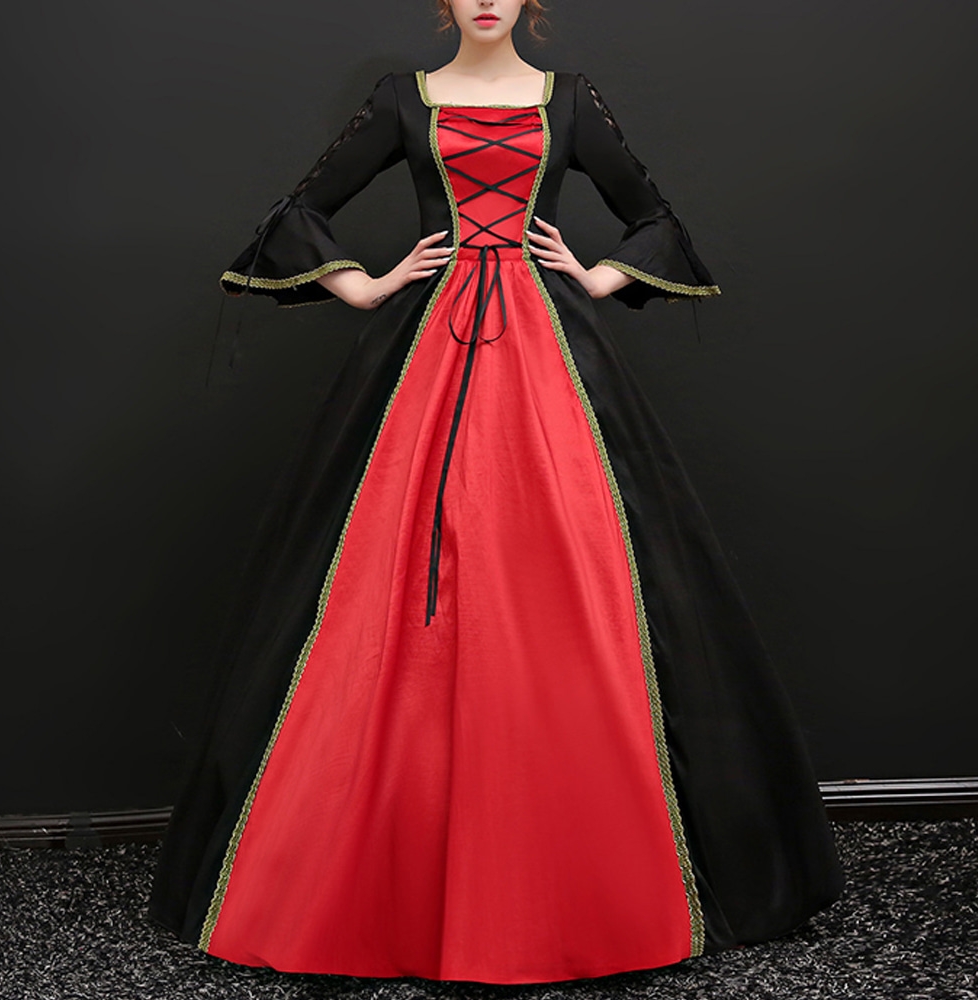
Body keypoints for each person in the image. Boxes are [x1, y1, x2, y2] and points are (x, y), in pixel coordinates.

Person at [148, 0, 844, 984]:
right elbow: (302, 209)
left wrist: (598, 277)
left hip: (551, 355)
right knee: (383, 579)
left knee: (571, 562)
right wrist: (363, 284)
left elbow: (651, 216)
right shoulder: (403, 99)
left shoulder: (570, 102)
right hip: (422, 355)